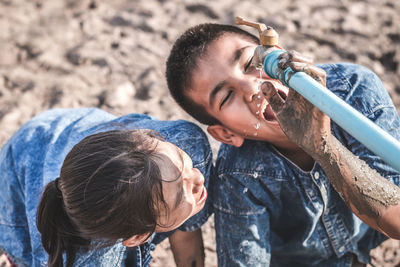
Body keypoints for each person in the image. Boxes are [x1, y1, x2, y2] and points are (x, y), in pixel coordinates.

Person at [166, 23, 400, 266]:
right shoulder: (239, 174)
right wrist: (318, 143)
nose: (251, 88)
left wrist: (323, 145)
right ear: (226, 134)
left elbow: (396, 221)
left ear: (278, 52)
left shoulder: (354, 89)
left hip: (374, 232)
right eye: (226, 96)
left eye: (250, 64)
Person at [0, 107, 214, 267]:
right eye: (180, 193)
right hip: (16, 176)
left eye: (186, 164)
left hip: (60, 127)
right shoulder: (81, 258)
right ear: (137, 237)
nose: (198, 178)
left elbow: (186, 229)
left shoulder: (186, 142)